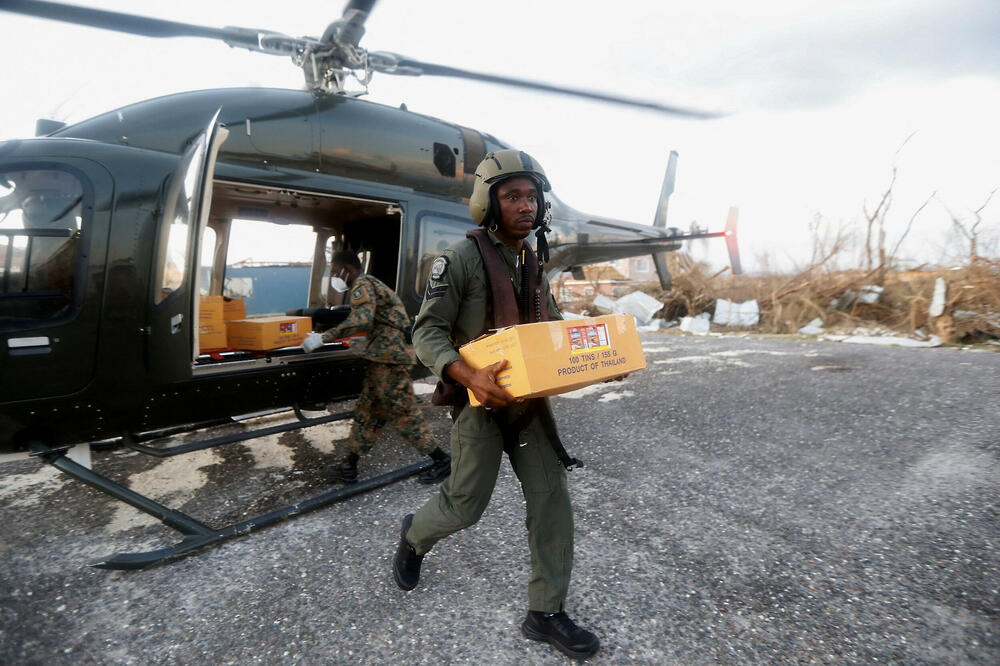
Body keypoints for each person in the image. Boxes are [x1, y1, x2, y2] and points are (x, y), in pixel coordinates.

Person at [392, 149, 600, 660]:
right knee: (464, 506)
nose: (526, 206)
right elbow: (426, 332)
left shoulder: (533, 261)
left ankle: (545, 613)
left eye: (532, 197)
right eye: (512, 196)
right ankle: (414, 536)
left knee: (552, 500)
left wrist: (594, 358)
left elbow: (550, 328)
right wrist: (467, 375)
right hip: (478, 402)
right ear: (488, 203)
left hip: (528, 405)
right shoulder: (460, 259)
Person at [303, 250, 451, 485]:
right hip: (381, 359)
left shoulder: (362, 284)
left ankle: (442, 460)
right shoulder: (371, 283)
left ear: (347, 269)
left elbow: (362, 319)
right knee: (367, 412)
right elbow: (380, 320)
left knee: (403, 413)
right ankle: (349, 466)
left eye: (336, 272)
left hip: (390, 361)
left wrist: (323, 337)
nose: (335, 277)